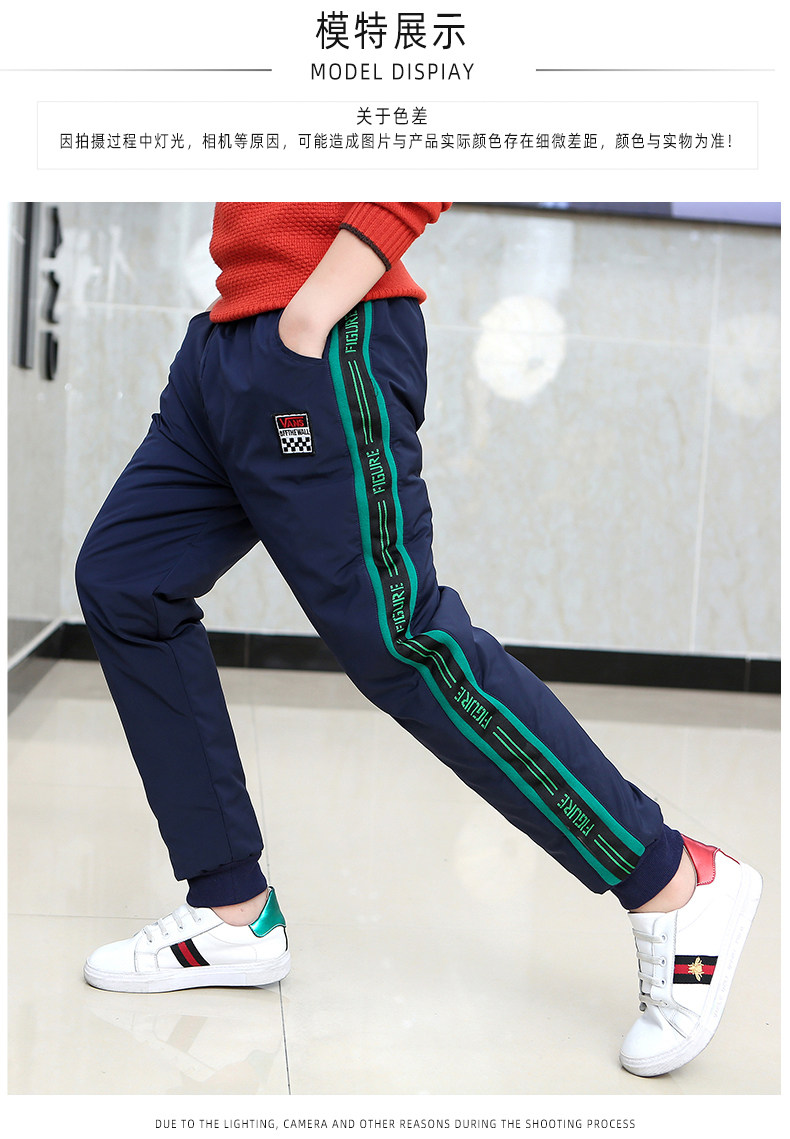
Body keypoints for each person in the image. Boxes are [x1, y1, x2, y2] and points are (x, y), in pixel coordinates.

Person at [76, 202, 761, 1078]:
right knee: (127, 581)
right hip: (225, 341)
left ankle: (672, 879)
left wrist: (312, 314)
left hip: (322, 332)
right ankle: (231, 906)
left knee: (403, 641)